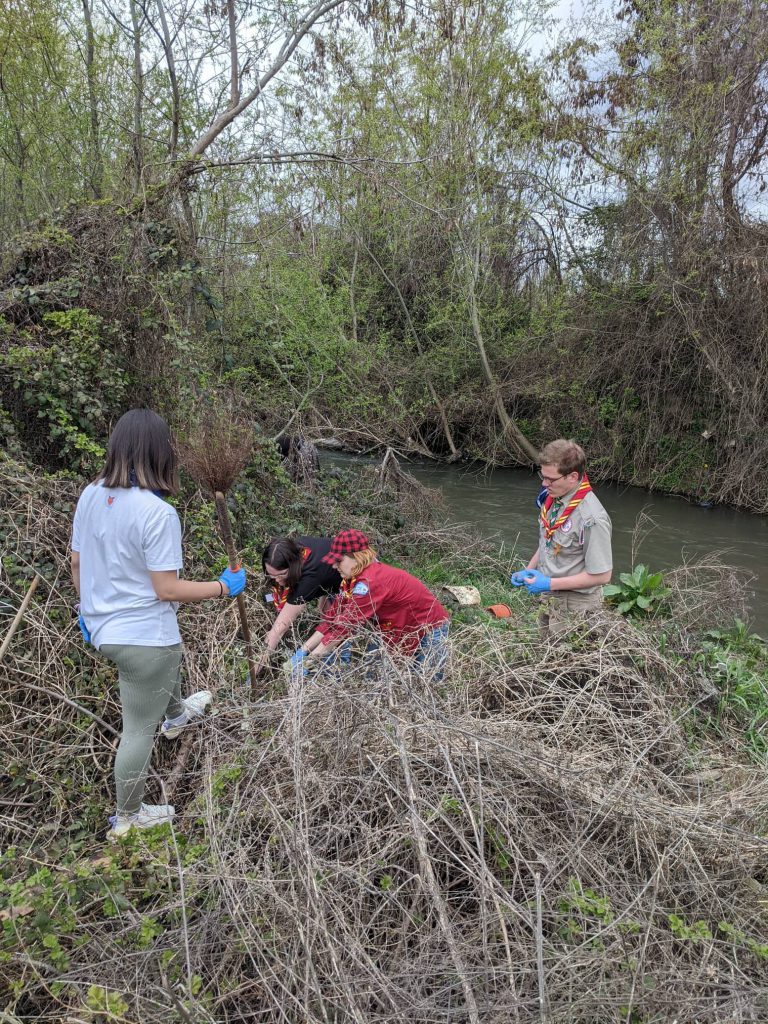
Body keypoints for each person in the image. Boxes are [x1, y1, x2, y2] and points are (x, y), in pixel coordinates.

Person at [71, 409, 246, 839]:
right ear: (160, 453)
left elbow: (76, 562)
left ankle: (177, 714)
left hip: (102, 629)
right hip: (143, 639)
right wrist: (223, 588)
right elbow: (166, 589)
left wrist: (85, 609)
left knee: (167, 665)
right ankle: (129, 819)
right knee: (137, 731)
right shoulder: (157, 513)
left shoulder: (91, 494)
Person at [286, 529, 450, 680]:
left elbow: (345, 626)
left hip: (429, 628)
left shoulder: (370, 582)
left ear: (356, 557)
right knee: (375, 678)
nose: (334, 566)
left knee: (427, 682)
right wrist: (303, 651)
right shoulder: (350, 580)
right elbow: (333, 618)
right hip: (393, 629)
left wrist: (309, 661)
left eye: (338, 560)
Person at [510, 439, 612, 633]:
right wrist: (528, 570)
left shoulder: (592, 518)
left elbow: (602, 575)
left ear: (572, 477)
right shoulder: (553, 499)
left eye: (550, 479)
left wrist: (549, 583)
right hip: (549, 595)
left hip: (575, 606)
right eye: (543, 475)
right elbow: (548, 541)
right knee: (545, 652)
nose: (544, 483)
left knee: (565, 660)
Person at [256, 536, 342, 670]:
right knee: (324, 613)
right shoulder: (291, 549)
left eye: (281, 574)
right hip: (330, 576)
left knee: (338, 626)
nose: (277, 580)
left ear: (293, 565)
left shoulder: (308, 580)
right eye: (272, 575)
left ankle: (336, 666)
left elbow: (279, 629)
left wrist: (254, 669)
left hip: (355, 579)